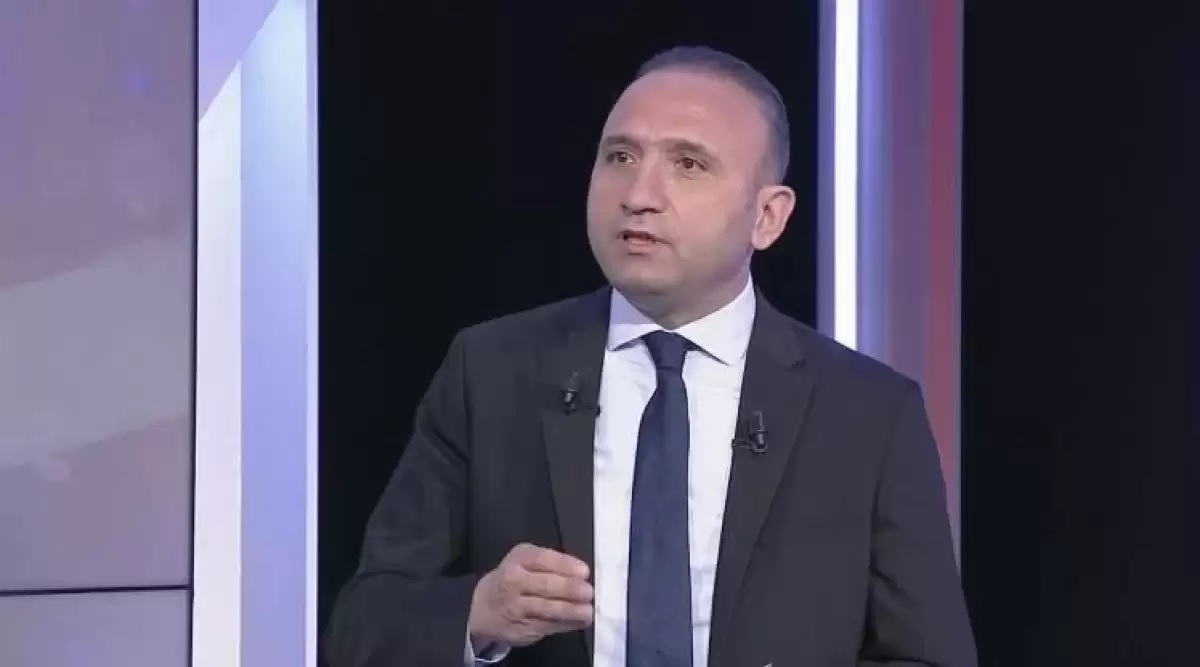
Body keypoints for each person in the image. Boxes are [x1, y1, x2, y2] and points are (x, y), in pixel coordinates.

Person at [324, 45, 976, 667]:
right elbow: (362, 627)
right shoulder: (491, 373)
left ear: (768, 217)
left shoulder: (867, 413)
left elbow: (928, 654)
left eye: (688, 164)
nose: (639, 193)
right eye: (620, 156)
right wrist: (479, 613)